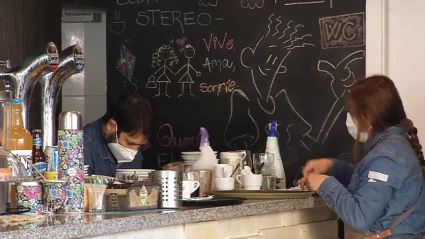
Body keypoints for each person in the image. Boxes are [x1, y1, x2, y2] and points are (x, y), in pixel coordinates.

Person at [300, 75, 425, 239]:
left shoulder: (386, 156)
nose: (351, 118)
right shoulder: (395, 146)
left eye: (353, 113)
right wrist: (332, 167)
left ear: (369, 116)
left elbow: (360, 218)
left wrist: (324, 184)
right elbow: (371, 184)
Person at [84, 93, 157, 177]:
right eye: (130, 143)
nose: (134, 152)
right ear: (111, 126)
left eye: (140, 146)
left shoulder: (134, 145)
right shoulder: (82, 150)